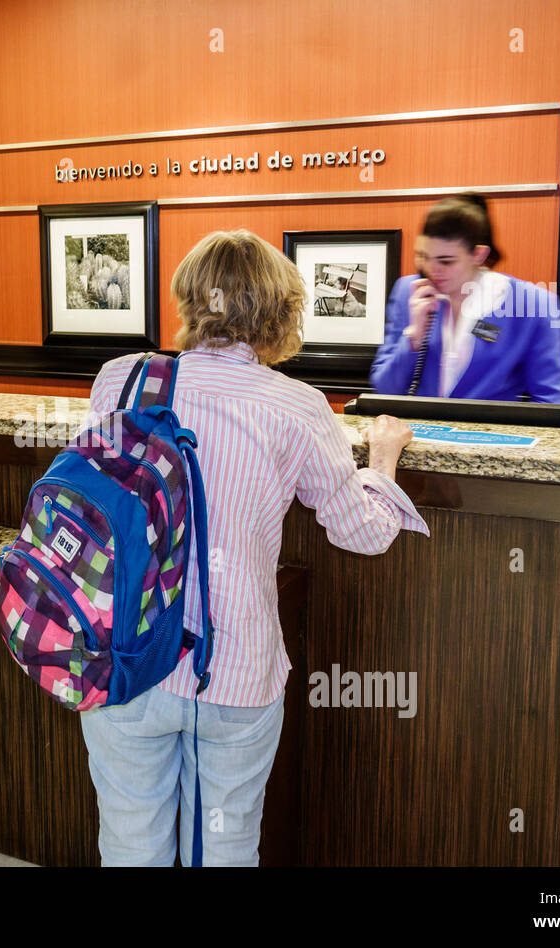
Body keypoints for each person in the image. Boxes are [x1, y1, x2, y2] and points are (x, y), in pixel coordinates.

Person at [78, 230, 429, 866]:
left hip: (125, 656)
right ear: (281, 312)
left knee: (130, 842)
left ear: (190, 299)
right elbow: (363, 532)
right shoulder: (296, 406)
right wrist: (382, 457)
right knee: (228, 847)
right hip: (234, 670)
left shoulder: (121, 380)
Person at [370, 194, 560, 402]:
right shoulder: (409, 292)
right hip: (417, 430)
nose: (432, 270)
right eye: (424, 257)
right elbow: (384, 387)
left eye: (446, 262)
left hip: (489, 432)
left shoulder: (535, 303)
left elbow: (551, 399)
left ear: (479, 255)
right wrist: (413, 337)